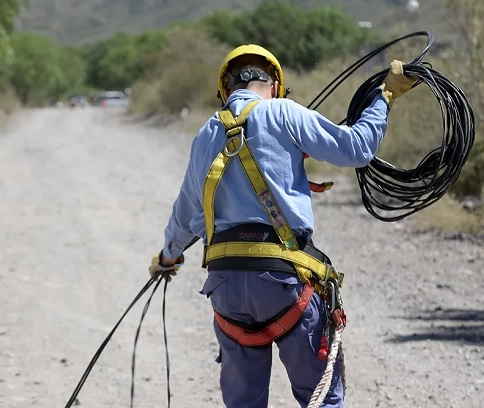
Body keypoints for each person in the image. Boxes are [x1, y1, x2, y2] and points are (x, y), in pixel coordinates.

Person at [148, 44, 416, 408]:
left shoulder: (205, 135)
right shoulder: (284, 112)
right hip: (286, 283)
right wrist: (385, 96)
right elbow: (355, 147)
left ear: (224, 90)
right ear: (275, 83)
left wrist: (167, 258)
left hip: (226, 288)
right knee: (321, 400)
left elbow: (185, 216)